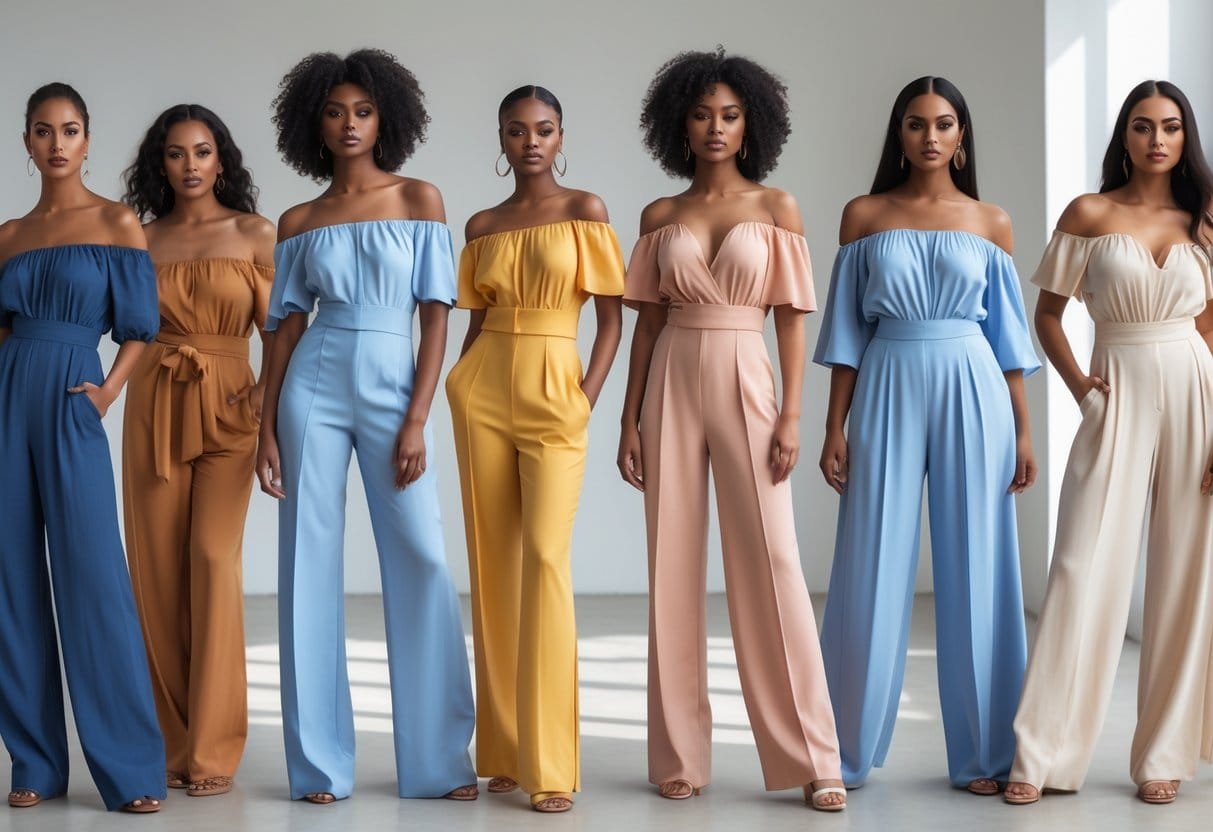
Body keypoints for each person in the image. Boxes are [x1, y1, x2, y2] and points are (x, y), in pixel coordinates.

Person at [617, 49, 845, 812]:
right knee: (670, 567)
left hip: (748, 374)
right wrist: (628, 418)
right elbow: (644, 327)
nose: (714, 127)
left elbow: (789, 318)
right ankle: (679, 757)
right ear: (677, 123)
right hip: (671, 380)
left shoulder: (776, 208)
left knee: (772, 565)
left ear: (751, 124)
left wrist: (789, 413)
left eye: (728, 114)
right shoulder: (660, 216)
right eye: (700, 113)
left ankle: (814, 757)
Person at [256, 49, 476, 804]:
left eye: (361, 111)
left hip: (392, 380)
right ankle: (319, 766)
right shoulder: (299, 220)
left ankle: (440, 761)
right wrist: (264, 430)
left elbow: (435, 316)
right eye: (333, 111)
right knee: (305, 568)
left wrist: (417, 416)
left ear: (386, 117)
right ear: (311, 123)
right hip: (311, 382)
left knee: (421, 556)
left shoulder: (420, 198)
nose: (348, 124)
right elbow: (282, 330)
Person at [813, 75, 1039, 795]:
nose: (930, 136)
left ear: (962, 137)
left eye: (943, 124)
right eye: (915, 124)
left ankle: (983, 756)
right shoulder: (863, 215)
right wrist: (831, 426)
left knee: (978, 564)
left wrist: (1025, 433)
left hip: (974, 385)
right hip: (885, 377)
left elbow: (1008, 340)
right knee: (868, 561)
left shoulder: (989, 221)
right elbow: (845, 333)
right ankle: (840, 752)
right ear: (899, 134)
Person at [1005, 80, 1213, 807]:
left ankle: (1162, 756)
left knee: (1186, 572)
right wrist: (1080, 390)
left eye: (1170, 127)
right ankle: (1039, 755)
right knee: (1080, 565)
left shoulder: (1203, 219)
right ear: (1121, 136)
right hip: (1116, 387)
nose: (1156, 140)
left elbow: (1212, 327)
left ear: (1185, 138)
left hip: (1196, 388)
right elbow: (1048, 314)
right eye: (1140, 126)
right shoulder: (1088, 213)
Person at [446, 84, 624, 814]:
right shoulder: (482, 222)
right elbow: (475, 319)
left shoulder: (585, 211)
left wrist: (584, 396)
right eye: (516, 131)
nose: (530, 142)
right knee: (494, 569)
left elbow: (612, 320)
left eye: (543, 130)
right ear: (500, 139)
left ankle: (552, 764)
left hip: (557, 386)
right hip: (482, 388)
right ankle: (506, 751)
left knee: (546, 560)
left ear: (560, 136)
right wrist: (457, 384)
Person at [0, 82, 165, 813]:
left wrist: (107, 394)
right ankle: (33, 763)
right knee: (10, 581)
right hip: (9, 397)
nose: (57, 143)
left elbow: (139, 326)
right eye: (43, 130)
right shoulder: (7, 235)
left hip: (74, 394)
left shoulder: (116, 221)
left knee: (93, 577)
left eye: (70, 129)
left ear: (88, 140)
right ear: (27, 142)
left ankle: (130, 771)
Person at [120, 103, 275, 798]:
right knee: (154, 571)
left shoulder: (253, 233)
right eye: (177, 153)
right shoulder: (138, 239)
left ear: (222, 160)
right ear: (161, 163)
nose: (190, 165)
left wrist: (268, 412)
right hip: (155, 400)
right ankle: (168, 740)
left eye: (202, 151)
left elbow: (283, 335)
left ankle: (211, 747)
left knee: (213, 561)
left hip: (231, 403)